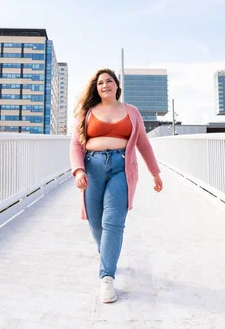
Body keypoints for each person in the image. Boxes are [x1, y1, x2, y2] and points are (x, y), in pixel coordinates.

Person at [69, 68, 163, 303]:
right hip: (92, 168)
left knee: (113, 222)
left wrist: (155, 173)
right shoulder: (87, 112)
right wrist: (78, 170)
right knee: (96, 222)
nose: (105, 86)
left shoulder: (131, 112)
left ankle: (106, 278)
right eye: (100, 83)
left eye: (109, 81)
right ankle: (107, 256)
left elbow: (143, 143)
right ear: (96, 88)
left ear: (117, 85)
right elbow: (75, 145)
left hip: (122, 168)